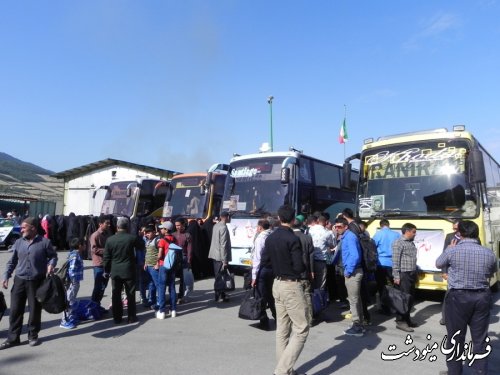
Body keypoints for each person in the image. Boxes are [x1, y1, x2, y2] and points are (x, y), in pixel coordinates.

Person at [436, 220, 497, 375]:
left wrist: (449, 248)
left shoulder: (452, 250)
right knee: (480, 339)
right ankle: (480, 372)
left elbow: (438, 263)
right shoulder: (489, 253)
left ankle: (455, 372)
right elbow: (491, 273)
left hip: (458, 297)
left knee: (455, 338)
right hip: (482, 297)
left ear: (460, 234)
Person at [261, 205, 309, 375]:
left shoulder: (270, 237)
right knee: (302, 328)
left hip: (277, 283)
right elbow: (299, 266)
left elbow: (265, 261)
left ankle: (285, 369)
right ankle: (282, 370)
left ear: (279, 218)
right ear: (293, 219)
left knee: (282, 328)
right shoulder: (293, 239)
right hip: (291, 285)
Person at [1, 217, 58, 350]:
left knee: (34, 310)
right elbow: (12, 261)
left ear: (32, 228)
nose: (21, 230)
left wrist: (51, 264)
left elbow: (53, 256)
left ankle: (33, 335)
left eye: (23, 227)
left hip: (36, 281)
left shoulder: (45, 242)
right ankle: (13, 338)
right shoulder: (19, 242)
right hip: (19, 280)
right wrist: (6, 276)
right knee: (15, 310)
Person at [103, 217, 140, 324]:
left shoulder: (110, 240)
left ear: (117, 227)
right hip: (129, 270)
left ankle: (117, 318)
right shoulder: (132, 238)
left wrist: (106, 270)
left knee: (116, 294)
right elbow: (142, 246)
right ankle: (131, 317)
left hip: (115, 271)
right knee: (130, 294)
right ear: (127, 227)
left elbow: (106, 258)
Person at [334, 217, 365, 336]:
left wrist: (348, 271)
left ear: (346, 226)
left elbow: (355, 256)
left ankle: (357, 326)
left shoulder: (350, 237)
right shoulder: (346, 236)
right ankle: (359, 324)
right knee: (356, 299)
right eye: (335, 227)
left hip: (353, 272)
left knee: (353, 300)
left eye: (339, 227)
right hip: (354, 271)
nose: (337, 229)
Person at [392, 222, 419, 332]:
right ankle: (400, 321)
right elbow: (395, 261)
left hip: (411, 273)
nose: (415, 234)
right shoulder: (398, 243)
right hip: (403, 274)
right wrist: (396, 276)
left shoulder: (410, 243)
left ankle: (407, 319)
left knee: (410, 298)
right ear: (407, 231)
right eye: (413, 232)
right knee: (402, 299)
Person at [250, 218, 275, 329]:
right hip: (272, 269)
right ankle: (277, 316)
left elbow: (257, 258)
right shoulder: (272, 235)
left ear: (260, 227)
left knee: (260, 296)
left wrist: (254, 276)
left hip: (262, 269)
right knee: (270, 294)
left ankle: (263, 320)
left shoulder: (260, 238)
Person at [372, 219, 399, 314]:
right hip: (393, 263)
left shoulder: (378, 234)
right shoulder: (396, 234)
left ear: (381, 226)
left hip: (381, 263)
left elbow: (372, 247)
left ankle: (385, 308)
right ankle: (396, 306)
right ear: (388, 225)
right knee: (395, 285)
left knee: (382, 286)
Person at [60, 238, 85, 329]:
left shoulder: (74, 254)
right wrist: (73, 281)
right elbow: (72, 269)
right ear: (79, 246)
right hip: (72, 282)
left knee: (72, 300)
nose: (85, 246)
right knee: (69, 300)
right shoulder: (75, 255)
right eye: (84, 244)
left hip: (74, 281)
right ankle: (64, 320)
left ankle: (70, 317)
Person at [208, 211, 232, 302]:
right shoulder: (223, 227)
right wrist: (225, 260)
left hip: (214, 254)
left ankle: (220, 294)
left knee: (218, 276)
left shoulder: (216, 226)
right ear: (226, 217)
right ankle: (219, 294)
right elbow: (223, 245)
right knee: (221, 276)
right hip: (221, 256)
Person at [156, 221, 177, 318]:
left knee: (162, 287)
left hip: (163, 265)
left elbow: (160, 255)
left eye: (162, 228)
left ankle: (162, 311)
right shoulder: (174, 239)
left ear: (166, 230)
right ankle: (173, 310)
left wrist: (156, 259)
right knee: (172, 287)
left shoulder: (162, 240)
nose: (161, 230)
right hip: (172, 266)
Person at [89, 215, 111, 306]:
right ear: (100, 224)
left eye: (109, 223)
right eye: (107, 223)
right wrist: (107, 251)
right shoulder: (95, 235)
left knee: (103, 286)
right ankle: (94, 306)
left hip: (106, 264)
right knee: (98, 286)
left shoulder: (107, 234)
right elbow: (94, 249)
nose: (109, 225)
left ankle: (98, 305)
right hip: (99, 264)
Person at [173, 218, 192, 304]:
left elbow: (189, 250)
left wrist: (189, 260)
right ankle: (173, 296)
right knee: (172, 278)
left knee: (183, 279)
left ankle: (181, 296)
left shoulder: (187, 235)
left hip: (183, 259)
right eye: (176, 225)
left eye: (179, 225)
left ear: (183, 225)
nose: (177, 227)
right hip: (174, 259)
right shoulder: (173, 235)